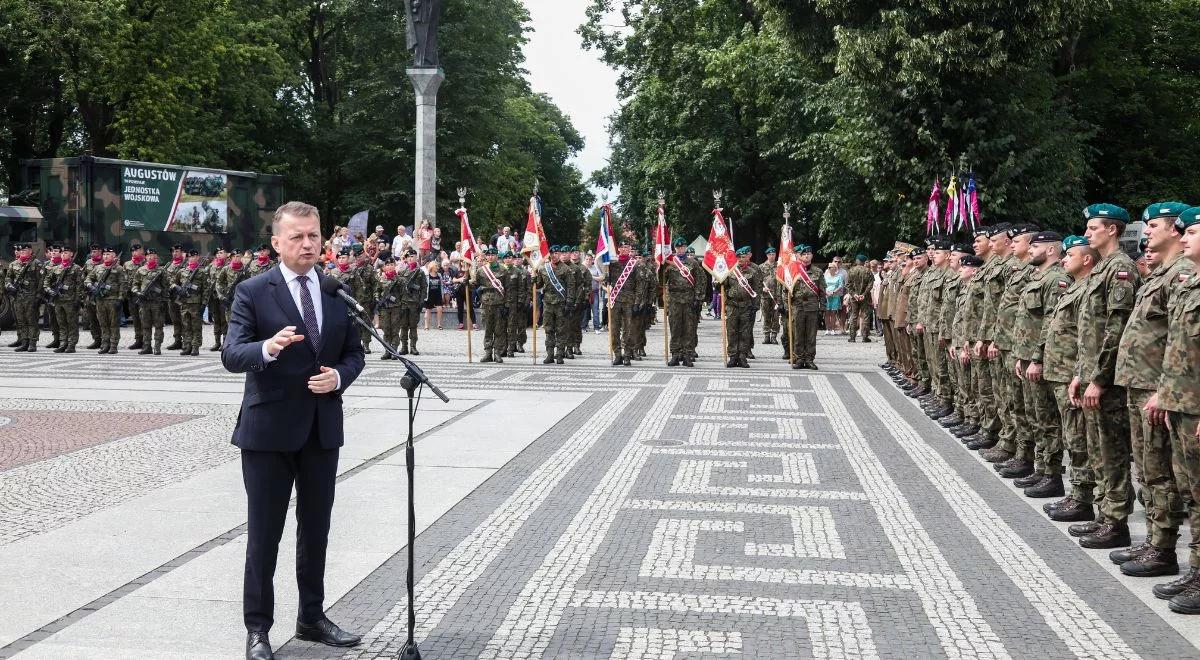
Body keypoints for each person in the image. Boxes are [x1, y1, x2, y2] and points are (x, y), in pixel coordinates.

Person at [221, 201, 365, 660]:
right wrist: (267, 347)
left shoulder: (334, 290)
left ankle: (312, 617)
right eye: (298, 237)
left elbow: (355, 352)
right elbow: (232, 354)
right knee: (265, 534)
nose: (308, 244)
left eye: (314, 235)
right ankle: (258, 629)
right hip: (268, 432)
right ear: (277, 243)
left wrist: (339, 377)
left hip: (322, 429)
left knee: (316, 531)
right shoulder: (252, 291)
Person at [1108, 202, 1193, 577]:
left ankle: (1164, 549)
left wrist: (1164, 388)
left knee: (1166, 474)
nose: (1146, 233)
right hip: (1148, 386)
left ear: (1173, 230)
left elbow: (1179, 343)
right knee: (1151, 470)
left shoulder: (1181, 276)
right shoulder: (1165, 275)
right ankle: (1157, 543)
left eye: (1153, 225)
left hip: (1165, 391)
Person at [1150, 205, 1200, 613]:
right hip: (1183, 403)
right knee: (1193, 493)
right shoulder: (1192, 283)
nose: (1184, 239)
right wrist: (1168, 396)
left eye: (1192, 233)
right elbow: (1177, 349)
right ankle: (1197, 570)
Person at [664, 238, 704, 366]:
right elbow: (662, 281)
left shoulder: (693, 263)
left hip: (689, 299)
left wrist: (698, 298)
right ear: (675, 249)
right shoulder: (670, 263)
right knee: (675, 328)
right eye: (678, 247)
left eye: (683, 247)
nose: (680, 249)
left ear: (686, 248)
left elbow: (700, 281)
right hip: (674, 300)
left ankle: (687, 355)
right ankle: (675, 355)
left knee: (689, 328)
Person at [787, 245, 825, 369]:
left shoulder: (818, 272)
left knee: (811, 335)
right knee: (798, 334)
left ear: (812, 256)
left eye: (809, 254)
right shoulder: (794, 270)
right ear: (800, 256)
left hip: (812, 307)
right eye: (804, 254)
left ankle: (809, 359)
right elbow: (786, 290)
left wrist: (822, 308)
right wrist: (787, 306)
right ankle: (799, 359)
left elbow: (822, 291)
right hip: (797, 307)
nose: (807, 256)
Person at [724, 246, 762, 368]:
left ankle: (742, 357)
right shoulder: (730, 271)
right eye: (738, 257)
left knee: (745, 333)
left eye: (743, 257)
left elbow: (757, 289)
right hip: (732, 305)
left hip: (746, 306)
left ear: (747, 258)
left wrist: (755, 306)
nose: (740, 259)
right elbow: (724, 286)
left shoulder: (753, 272)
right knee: (732, 332)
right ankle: (732, 356)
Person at [471, 248, 507, 362]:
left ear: (497, 256)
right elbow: (475, 285)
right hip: (486, 303)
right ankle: (487, 352)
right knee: (487, 328)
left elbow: (508, 288)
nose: (490, 257)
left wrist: (507, 304)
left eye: (493, 255)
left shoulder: (503, 270)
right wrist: (467, 281)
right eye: (488, 255)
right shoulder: (481, 270)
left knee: (499, 329)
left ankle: (497, 352)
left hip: (499, 303)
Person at [133, 248, 169, 355]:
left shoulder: (161, 271)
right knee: (146, 325)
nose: (150, 257)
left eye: (152, 255)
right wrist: (137, 292)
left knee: (158, 325)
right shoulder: (140, 270)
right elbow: (135, 284)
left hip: (157, 302)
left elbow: (165, 286)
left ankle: (157, 347)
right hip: (144, 302)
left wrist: (163, 300)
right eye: (148, 256)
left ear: (156, 257)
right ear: (145, 257)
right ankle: (147, 346)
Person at [122, 243, 146, 350]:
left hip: (143, 296)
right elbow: (124, 280)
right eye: (133, 251)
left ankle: (146, 340)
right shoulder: (127, 264)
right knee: (136, 319)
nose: (135, 253)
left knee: (144, 319)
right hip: (132, 296)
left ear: (142, 251)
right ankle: (138, 340)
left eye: (137, 250)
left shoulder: (146, 263)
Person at [845, 254, 873, 342]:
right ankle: (865, 337)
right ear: (864, 262)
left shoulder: (851, 271)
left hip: (854, 297)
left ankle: (852, 337)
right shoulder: (868, 271)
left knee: (854, 316)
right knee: (865, 316)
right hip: (865, 297)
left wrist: (854, 294)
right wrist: (864, 294)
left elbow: (848, 285)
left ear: (857, 261)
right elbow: (870, 284)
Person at [758, 248, 780, 344]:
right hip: (765, 296)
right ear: (767, 255)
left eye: (773, 254)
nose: (772, 256)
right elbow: (757, 282)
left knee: (776, 316)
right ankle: (766, 335)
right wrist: (762, 289)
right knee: (766, 316)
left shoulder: (779, 266)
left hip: (777, 295)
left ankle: (774, 336)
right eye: (770, 254)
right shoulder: (761, 267)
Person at [823, 258, 844, 335]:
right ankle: (827, 329)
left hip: (835, 295)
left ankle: (832, 329)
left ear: (835, 269)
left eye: (832, 268)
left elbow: (841, 286)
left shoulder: (839, 277)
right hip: (827, 295)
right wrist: (826, 292)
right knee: (827, 312)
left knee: (833, 312)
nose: (830, 269)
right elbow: (823, 286)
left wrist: (834, 292)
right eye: (829, 268)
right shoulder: (825, 277)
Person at [423, 260, 443, 330]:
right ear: (432, 267)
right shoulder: (427, 275)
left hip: (438, 294)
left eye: (438, 266)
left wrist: (442, 294)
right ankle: (426, 326)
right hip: (429, 295)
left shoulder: (439, 275)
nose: (437, 267)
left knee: (440, 309)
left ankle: (439, 324)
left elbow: (441, 286)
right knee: (428, 310)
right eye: (436, 266)